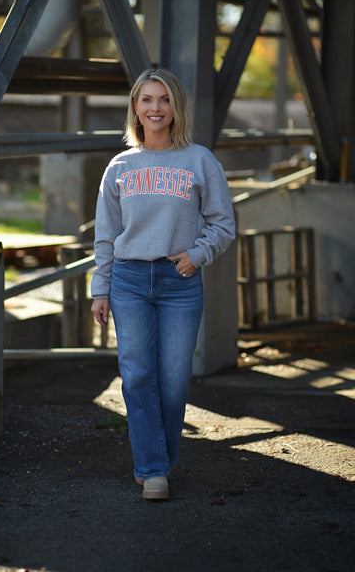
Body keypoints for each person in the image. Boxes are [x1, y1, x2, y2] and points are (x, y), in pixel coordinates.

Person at [91, 68, 235, 500]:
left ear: (175, 108)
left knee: (173, 379)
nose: (155, 108)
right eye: (146, 100)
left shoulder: (199, 160)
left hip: (180, 279)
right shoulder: (120, 166)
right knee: (137, 375)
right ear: (135, 107)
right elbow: (105, 233)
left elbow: (223, 223)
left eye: (164, 100)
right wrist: (101, 287)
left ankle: (161, 460)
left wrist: (198, 254)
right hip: (130, 280)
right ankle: (153, 469)